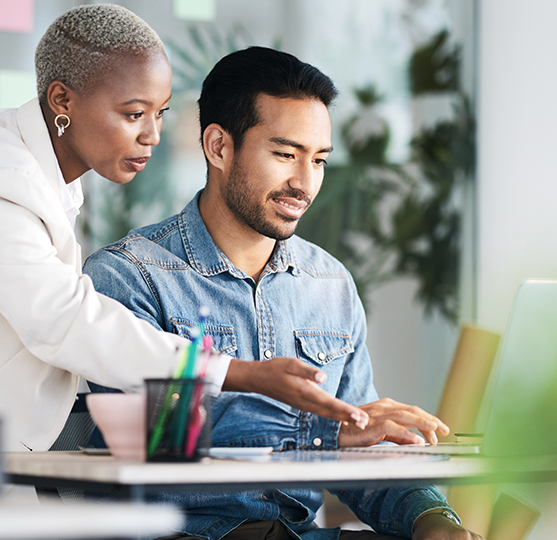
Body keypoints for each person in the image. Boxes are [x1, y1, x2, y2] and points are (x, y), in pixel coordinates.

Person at [0, 5, 364, 459]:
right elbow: (63, 321)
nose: (151, 135)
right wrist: (240, 373)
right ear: (62, 102)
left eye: (162, 113)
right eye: (131, 113)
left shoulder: (38, 176)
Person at [84, 47, 484, 540]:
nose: (305, 182)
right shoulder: (130, 276)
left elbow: (366, 453)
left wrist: (434, 521)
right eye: (285, 154)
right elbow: (162, 450)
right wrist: (326, 434)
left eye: (318, 160)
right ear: (218, 147)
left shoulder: (329, 284)